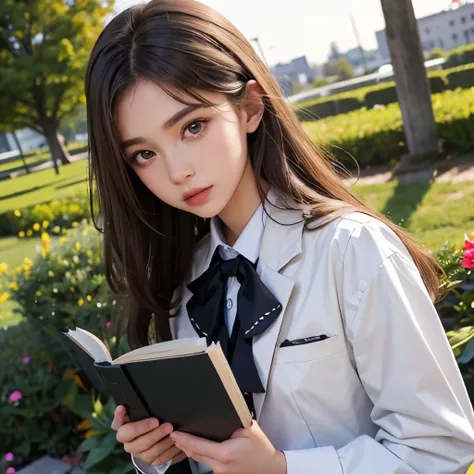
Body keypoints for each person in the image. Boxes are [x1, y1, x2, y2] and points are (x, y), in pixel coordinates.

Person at [84, 1, 474, 473]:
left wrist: (284, 468)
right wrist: (160, 454)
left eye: (192, 126)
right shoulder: (187, 279)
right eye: (144, 154)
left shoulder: (349, 250)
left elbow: (443, 446)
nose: (177, 171)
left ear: (249, 107)